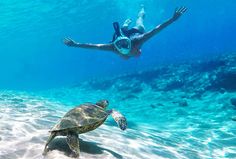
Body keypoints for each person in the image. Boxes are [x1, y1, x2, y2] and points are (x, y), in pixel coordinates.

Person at [64, 6, 187, 59]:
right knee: (121, 36)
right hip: (122, 37)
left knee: (139, 21)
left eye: (125, 44)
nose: (124, 48)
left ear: (130, 43)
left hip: (135, 33)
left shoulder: (138, 40)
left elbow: (156, 30)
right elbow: (94, 46)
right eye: (121, 46)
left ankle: (141, 8)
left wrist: (173, 19)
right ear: (116, 45)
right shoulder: (113, 47)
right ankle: (123, 28)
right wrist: (75, 44)